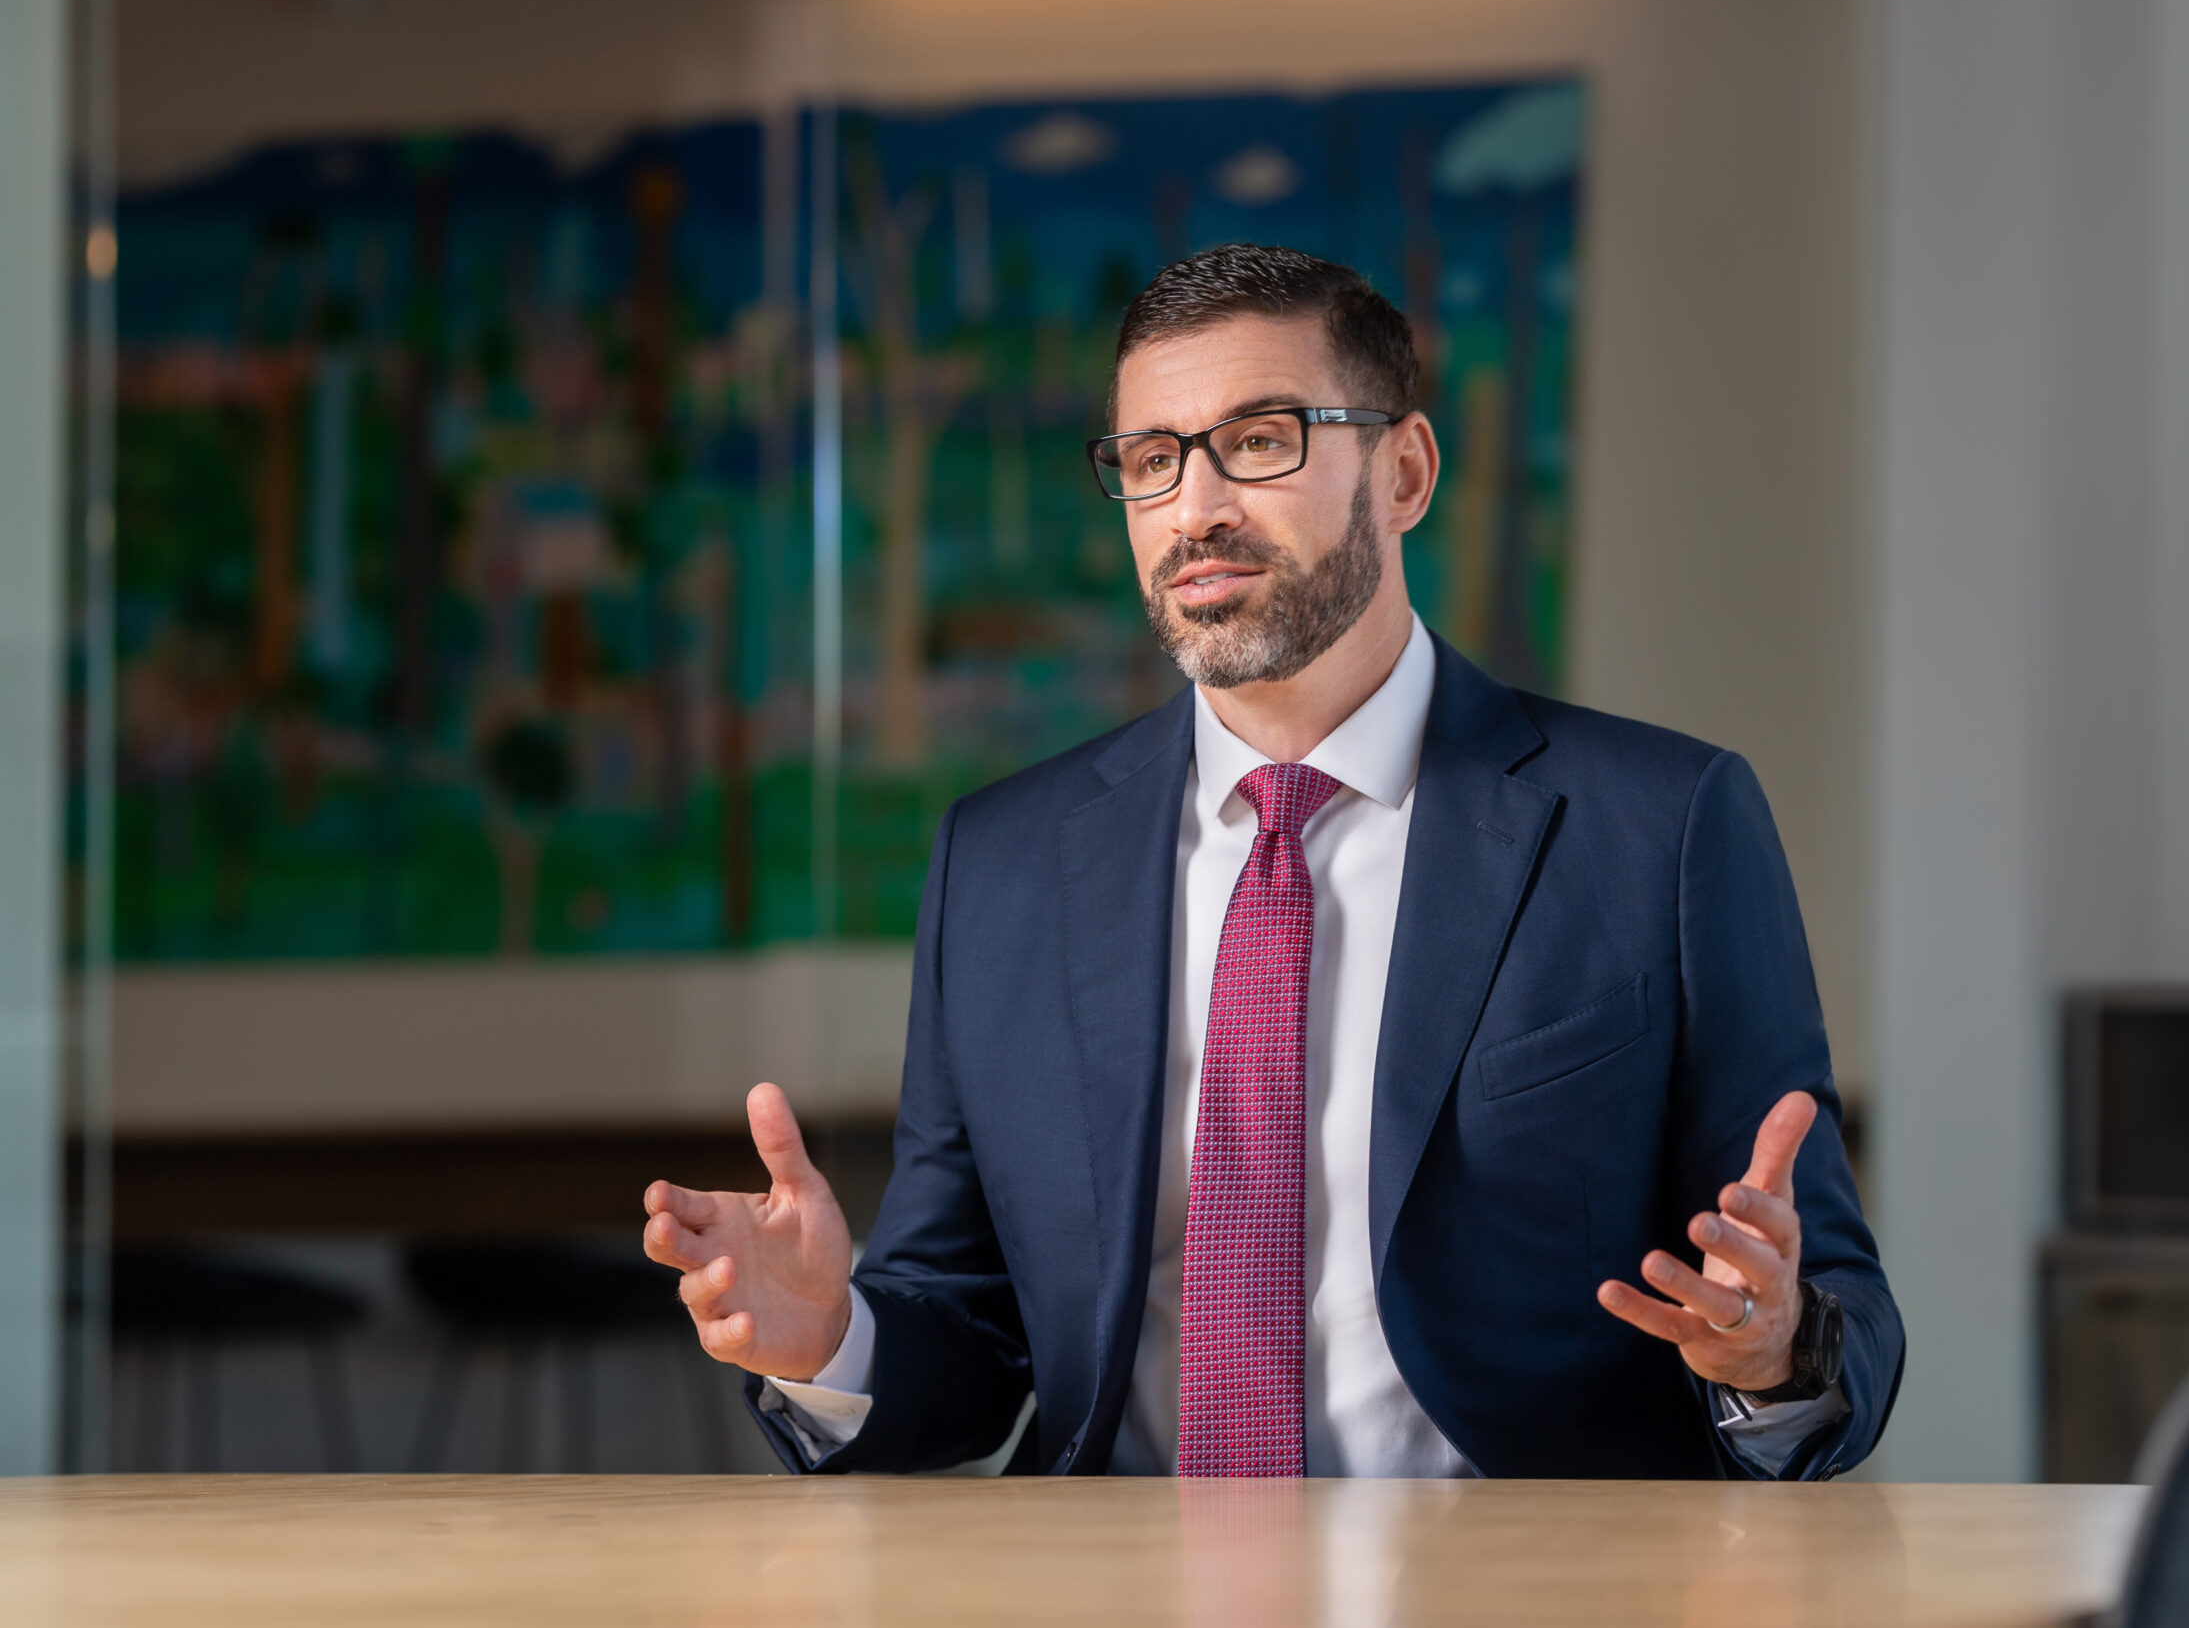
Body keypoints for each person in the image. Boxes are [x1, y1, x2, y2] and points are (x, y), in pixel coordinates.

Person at [642, 244, 1901, 1480]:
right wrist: (830, 1338)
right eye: (1151, 460)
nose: (1195, 509)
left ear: (1402, 472)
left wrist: (1772, 1349)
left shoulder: (1662, 827)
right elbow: (971, 1336)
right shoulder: (1004, 861)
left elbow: (1833, 1315)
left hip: (1519, 1594)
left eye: (1260, 440)